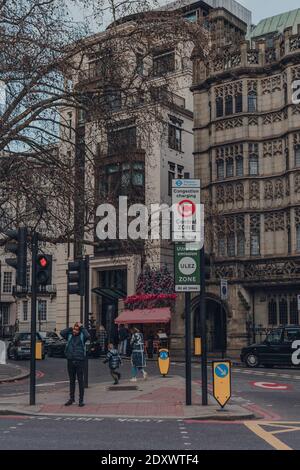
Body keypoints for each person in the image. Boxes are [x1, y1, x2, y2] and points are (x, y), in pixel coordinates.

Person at [60, 322, 90, 407]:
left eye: (76, 329)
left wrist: (82, 327)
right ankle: (71, 399)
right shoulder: (69, 336)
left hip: (80, 361)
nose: (74, 331)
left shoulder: (82, 336)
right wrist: (70, 328)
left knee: (80, 381)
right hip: (70, 360)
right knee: (72, 381)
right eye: (74, 329)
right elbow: (61, 333)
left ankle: (81, 400)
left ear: (79, 330)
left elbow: (88, 336)